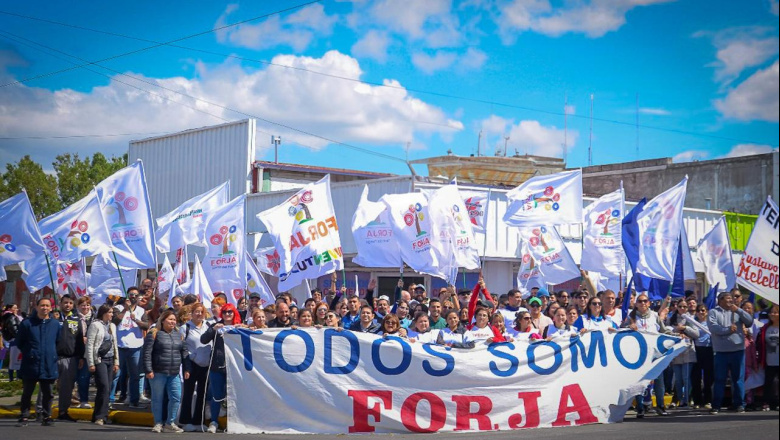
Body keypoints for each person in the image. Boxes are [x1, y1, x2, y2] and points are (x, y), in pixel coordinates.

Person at [15, 298, 60, 427]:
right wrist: (30, 352)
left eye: (47, 306)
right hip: (31, 363)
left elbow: (57, 341)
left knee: (48, 393)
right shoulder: (27, 323)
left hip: (48, 363)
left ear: (50, 308)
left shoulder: (55, 324)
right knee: (27, 392)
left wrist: (51, 354)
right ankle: (24, 416)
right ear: (37, 307)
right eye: (42, 305)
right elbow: (20, 342)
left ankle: (47, 416)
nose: (44, 308)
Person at [200, 303, 245, 433]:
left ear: (234, 313)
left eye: (230, 312)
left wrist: (244, 328)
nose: (227, 314)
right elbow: (203, 339)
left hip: (235, 366)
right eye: (225, 312)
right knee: (216, 395)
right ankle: (214, 421)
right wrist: (213, 329)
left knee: (233, 396)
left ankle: (232, 422)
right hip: (217, 365)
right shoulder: (217, 326)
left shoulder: (240, 326)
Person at [707, 291, 753, 414]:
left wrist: (738, 310)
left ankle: (739, 404)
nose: (730, 301)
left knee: (738, 379)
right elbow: (713, 328)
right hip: (721, 352)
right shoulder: (713, 312)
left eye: (731, 298)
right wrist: (727, 330)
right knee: (719, 379)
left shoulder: (737, 311)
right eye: (727, 299)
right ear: (720, 300)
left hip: (737, 350)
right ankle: (716, 405)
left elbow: (749, 321)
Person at [624, 293, 669, 417]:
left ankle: (660, 406)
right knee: (639, 381)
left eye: (645, 301)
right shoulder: (631, 316)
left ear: (649, 303)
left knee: (659, 381)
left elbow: (664, 331)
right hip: (639, 354)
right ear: (636, 304)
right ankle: (640, 408)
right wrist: (629, 326)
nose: (642, 303)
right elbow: (621, 330)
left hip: (655, 354)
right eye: (640, 301)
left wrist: (677, 336)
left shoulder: (655, 316)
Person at [144, 309, 190, 433]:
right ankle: (158, 423)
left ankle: (170, 423)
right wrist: (148, 370)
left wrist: (187, 368)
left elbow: (184, 351)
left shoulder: (178, 334)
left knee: (176, 397)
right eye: (170, 319)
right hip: (158, 372)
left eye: (174, 320)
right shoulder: (154, 333)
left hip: (174, 372)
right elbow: (147, 353)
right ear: (163, 320)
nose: (172, 322)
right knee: (157, 398)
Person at [113, 286, 149, 408]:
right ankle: (110, 400)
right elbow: (114, 321)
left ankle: (134, 401)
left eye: (135, 294)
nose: (133, 296)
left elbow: (146, 325)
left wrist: (136, 320)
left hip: (136, 346)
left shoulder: (141, 310)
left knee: (135, 375)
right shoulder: (118, 308)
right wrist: (125, 310)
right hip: (120, 345)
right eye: (131, 294)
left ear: (138, 297)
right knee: (116, 374)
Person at [180, 303, 212, 432]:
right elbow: (183, 349)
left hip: (205, 365)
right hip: (191, 365)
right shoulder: (185, 327)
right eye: (196, 311)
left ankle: (199, 421)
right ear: (191, 313)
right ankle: (185, 421)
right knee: (188, 393)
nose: (199, 314)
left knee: (202, 395)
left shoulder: (209, 326)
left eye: (201, 311)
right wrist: (187, 367)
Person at [86, 304, 119, 426]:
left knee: (107, 388)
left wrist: (116, 362)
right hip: (100, 359)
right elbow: (90, 344)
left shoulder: (112, 326)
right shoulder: (95, 325)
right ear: (103, 313)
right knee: (103, 386)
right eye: (109, 312)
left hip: (110, 359)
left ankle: (101, 415)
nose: (111, 315)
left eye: (112, 313)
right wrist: (91, 362)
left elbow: (114, 344)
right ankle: (100, 416)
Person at [55, 295, 86, 422]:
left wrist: (81, 356)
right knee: (46, 385)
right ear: (60, 303)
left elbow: (79, 340)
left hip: (71, 358)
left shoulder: (76, 320)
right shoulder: (53, 318)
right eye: (65, 302)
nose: (67, 305)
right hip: (54, 357)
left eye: (70, 303)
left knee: (67, 387)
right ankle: (42, 411)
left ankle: (63, 411)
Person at [668, 299, 700, 408]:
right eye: (680, 306)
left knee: (686, 378)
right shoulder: (671, 319)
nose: (683, 309)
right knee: (678, 379)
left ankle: (686, 400)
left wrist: (685, 328)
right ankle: (680, 400)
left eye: (685, 307)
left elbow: (696, 334)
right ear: (677, 307)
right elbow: (666, 332)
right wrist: (677, 332)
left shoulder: (691, 319)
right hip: (676, 353)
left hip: (688, 352)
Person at [756, 305, 779, 411]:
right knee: (769, 381)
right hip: (769, 359)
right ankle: (768, 402)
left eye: (775, 312)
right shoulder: (766, 328)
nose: (772, 314)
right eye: (771, 312)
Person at [691, 304, 714, 409]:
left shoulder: (710, 323)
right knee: (696, 377)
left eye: (703, 310)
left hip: (708, 350)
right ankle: (697, 401)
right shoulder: (693, 323)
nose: (701, 312)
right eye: (699, 310)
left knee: (708, 377)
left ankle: (708, 400)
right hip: (697, 350)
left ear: (707, 311)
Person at [75, 296, 94, 409]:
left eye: (87, 305)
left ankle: (84, 400)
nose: (85, 307)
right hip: (75, 350)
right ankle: (73, 398)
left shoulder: (94, 318)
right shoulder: (74, 317)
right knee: (74, 378)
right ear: (78, 306)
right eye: (83, 305)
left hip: (88, 352)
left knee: (84, 377)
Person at [2, 304, 22, 382]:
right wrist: (19, 336)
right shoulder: (11, 317)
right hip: (15, 340)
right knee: (15, 359)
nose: (16, 309)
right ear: (10, 309)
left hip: (14, 339)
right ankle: (13, 378)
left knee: (15, 359)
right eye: (14, 308)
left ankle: (15, 377)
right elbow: (14, 328)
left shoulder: (13, 316)